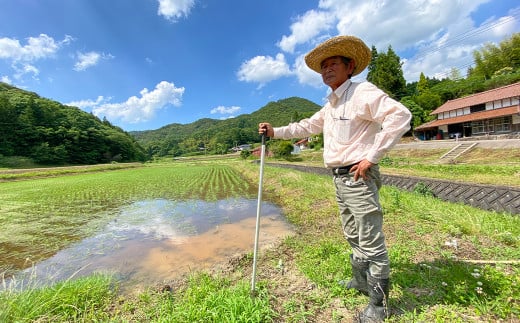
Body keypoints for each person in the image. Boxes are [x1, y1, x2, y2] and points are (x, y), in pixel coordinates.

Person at [258, 35, 411, 322]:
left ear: (350, 66)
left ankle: (379, 307)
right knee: (352, 232)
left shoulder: (361, 93)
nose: (327, 70)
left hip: (358, 174)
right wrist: (274, 131)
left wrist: (372, 156)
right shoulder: (331, 105)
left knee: (370, 238)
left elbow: (400, 116)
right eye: (324, 67)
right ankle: (360, 281)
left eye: (333, 64)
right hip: (340, 178)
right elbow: (306, 126)